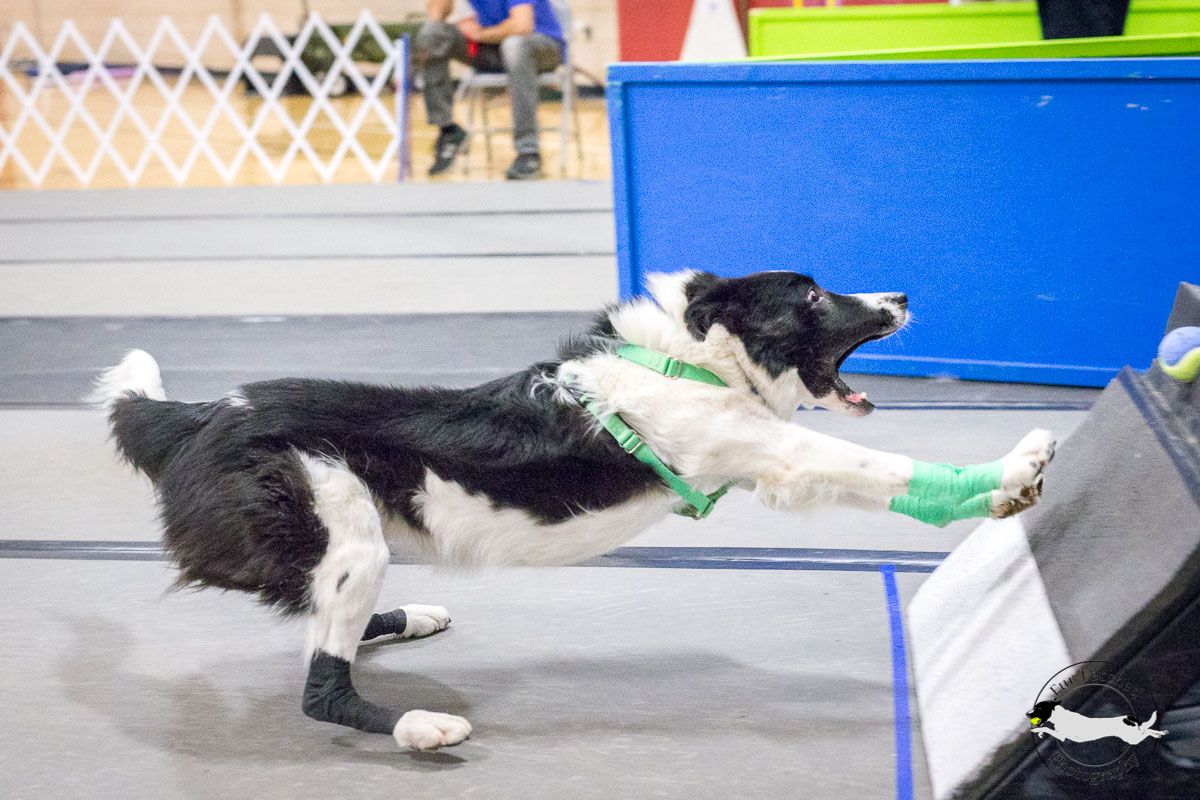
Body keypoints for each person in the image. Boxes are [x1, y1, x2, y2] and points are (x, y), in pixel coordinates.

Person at [417, 0, 565, 180]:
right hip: (494, 46)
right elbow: (436, 17)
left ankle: (528, 152)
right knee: (432, 34)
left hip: (541, 44)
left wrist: (480, 34)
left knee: (514, 46)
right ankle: (448, 130)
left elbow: (522, 25)